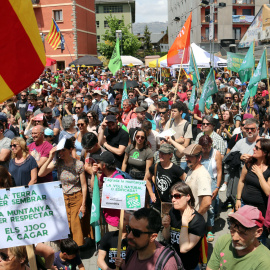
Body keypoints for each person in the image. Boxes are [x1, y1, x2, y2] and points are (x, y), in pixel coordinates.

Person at [38, 138, 87, 246]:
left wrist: (83, 205)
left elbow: (83, 186)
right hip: (63, 197)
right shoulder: (58, 163)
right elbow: (41, 174)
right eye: (59, 151)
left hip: (76, 196)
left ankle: (76, 249)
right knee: (65, 224)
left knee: (76, 224)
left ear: (70, 150)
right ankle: (67, 248)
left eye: (63, 150)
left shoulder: (78, 164)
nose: (60, 153)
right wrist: (50, 157)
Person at [207, 205, 270, 270]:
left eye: (242, 233)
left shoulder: (265, 263)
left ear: (258, 232)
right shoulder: (223, 241)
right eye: (233, 230)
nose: (234, 238)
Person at [162, 182, 205, 270]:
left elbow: (184, 248)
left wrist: (184, 223)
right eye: (172, 196)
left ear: (188, 197)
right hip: (172, 263)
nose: (173, 200)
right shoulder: (173, 212)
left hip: (188, 266)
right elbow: (167, 238)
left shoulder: (198, 220)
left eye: (177, 196)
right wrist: (166, 227)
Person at [145, 143, 186, 212]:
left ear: (170, 155)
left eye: (164, 153)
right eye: (160, 153)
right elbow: (146, 178)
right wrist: (151, 193)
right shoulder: (155, 167)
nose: (161, 155)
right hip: (157, 204)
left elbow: (188, 180)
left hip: (172, 205)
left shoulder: (176, 169)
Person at [235, 138, 270, 217]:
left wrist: (260, 175)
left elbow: (268, 192)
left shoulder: (269, 169)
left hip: (260, 209)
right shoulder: (249, 163)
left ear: (265, 152)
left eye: (257, 148)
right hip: (244, 204)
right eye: (255, 146)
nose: (253, 149)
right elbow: (241, 181)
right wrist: (238, 199)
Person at [91, 151, 124, 231]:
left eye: (98, 162)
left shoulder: (118, 179)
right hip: (106, 218)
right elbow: (94, 187)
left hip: (115, 222)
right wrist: (93, 174)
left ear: (104, 165)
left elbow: (120, 202)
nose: (97, 164)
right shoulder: (105, 175)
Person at [199, 135, 222, 242]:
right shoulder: (198, 153)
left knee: (210, 209)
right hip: (199, 182)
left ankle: (209, 230)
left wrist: (217, 187)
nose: (206, 149)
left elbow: (219, 172)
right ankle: (198, 227)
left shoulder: (216, 154)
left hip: (211, 183)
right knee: (198, 206)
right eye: (204, 147)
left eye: (208, 147)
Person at [183, 144, 212, 220]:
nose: (186, 159)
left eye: (190, 156)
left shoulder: (202, 175)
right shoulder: (191, 169)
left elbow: (207, 202)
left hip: (195, 222)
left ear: (199, 158)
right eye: (186, 156)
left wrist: (196, 218)